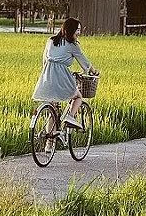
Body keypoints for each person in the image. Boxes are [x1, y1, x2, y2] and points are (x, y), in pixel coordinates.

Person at [31, 18, 99, 149]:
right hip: (61, 75)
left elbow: (44, 59)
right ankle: (70, 116)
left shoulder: (51, 40)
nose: (79, 32)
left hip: (47, 75)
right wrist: (94, 72)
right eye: (77, 30)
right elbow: (85, 62)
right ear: (71, 30)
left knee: (53, 108)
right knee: (78, 96)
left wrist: (48, 72)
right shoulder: (73, 45)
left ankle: (49, 144)